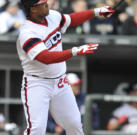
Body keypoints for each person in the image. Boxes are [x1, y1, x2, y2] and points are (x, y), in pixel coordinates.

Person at [17, 0, 114, 135]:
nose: (46, 3)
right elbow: (46, 57)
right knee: (37, 129)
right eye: (41, 2)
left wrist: (97, 12)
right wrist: (74, 51)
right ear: (33, 9)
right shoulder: (27, 32)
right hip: (37, 83)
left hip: (60, 81)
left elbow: (71, 19)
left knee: (74, 124)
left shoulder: (52, 16)